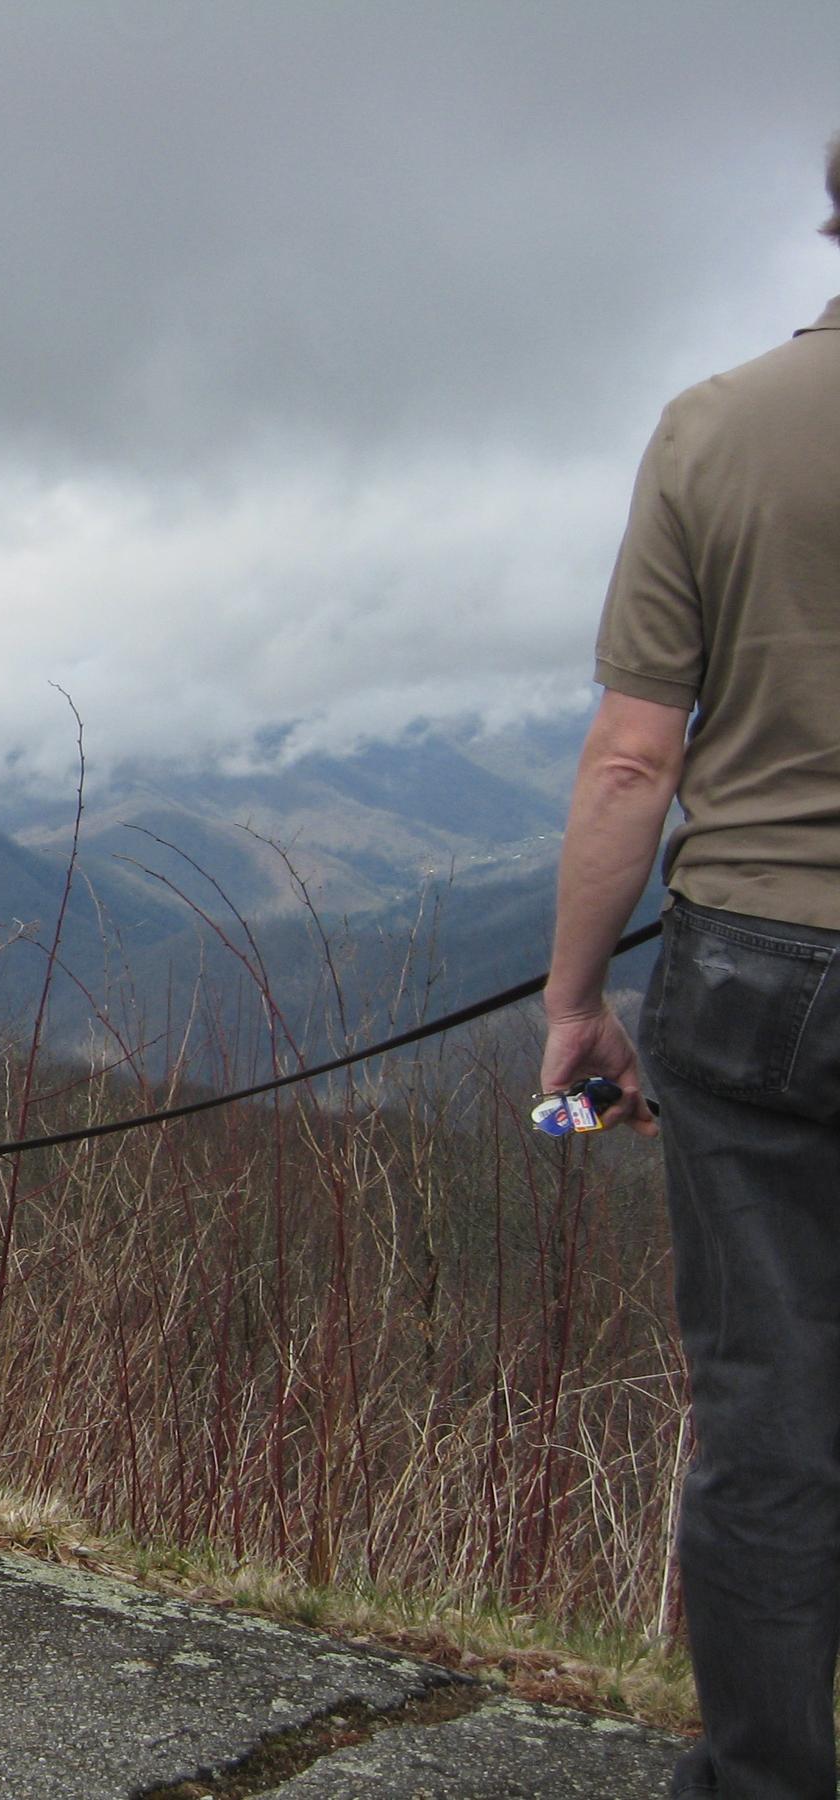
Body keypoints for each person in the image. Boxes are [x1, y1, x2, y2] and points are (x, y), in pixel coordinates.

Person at [542, 132, 840, 1800]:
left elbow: (633, 763)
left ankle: (766, 1781)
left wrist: (579, 1002)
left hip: (752, 972)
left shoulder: (717, 428)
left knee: (768, 1409)